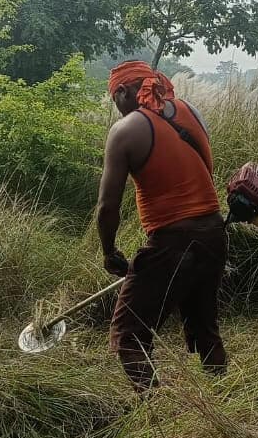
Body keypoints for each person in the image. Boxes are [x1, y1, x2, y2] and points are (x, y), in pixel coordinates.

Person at [96, 61, 228, 392]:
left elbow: (107, 206)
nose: (117, 109)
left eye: (115, 100)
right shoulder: (190, 111)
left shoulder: (126, 130)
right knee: (203, 328)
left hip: (173, 243)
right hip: (214, 234)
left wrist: (109, 251)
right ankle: (226, 397)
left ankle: (156, 409)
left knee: (129, 334)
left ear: (123, 92)